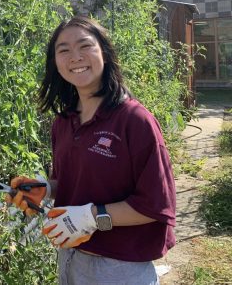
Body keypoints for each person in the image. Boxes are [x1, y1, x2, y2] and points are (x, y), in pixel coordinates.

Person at [10, 16, 176, 285]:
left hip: (118, 268)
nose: (75, 56)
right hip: (70, 257)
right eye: (63, 50)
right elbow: (72, 181)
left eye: (84, 46)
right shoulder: (64, 122)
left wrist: (91, 217)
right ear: (55, 63)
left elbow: (156, 205)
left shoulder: (134, 120)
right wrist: (45, 189)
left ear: (105, 54)